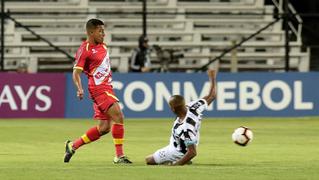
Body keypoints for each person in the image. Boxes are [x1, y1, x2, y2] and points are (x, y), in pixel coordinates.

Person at [64, 19, 132, 164]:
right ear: (91, 32)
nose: (104, 34)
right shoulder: (85, 49)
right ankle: (119, 156)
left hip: (107, 87)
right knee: (119, 116)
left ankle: (72, 145)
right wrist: (80, 89)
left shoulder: (103, 46)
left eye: (103, 30)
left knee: (104, 128)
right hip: (98, 89)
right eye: (100, 31)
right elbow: (76, 73)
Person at [145, 70, 217, 166]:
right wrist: (212, 78)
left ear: (173, 109)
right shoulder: (193, 107)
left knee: (148, 160)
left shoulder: (185, 127)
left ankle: (179, 160)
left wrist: (176, 165)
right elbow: (212, 96)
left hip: (176, 151)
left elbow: (193, 152)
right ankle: (179, 160)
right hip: (176, 143)